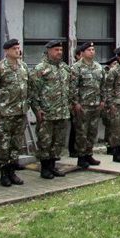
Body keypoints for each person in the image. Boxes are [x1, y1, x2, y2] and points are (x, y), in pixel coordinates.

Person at [29, 40, 73, 179]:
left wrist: (69, 104)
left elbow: (69, 88)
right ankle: (45, 168)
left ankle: (53, 166)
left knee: (58, 142)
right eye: (56, 50)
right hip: (47, 113)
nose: (59, 52)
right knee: (45, 142)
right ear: (48, 51)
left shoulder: (64, 68)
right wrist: (37, 109)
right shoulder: (40, 69)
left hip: (62, 112)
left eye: (60, 50)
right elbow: (33, 92)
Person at [0, 38, 29, 187]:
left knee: (16, 144)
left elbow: (28, 87)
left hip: (20, 112)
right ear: (7, 51)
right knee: (4, 145)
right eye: (14, 49)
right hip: (5, 113)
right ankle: (4, 174)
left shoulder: (23, 66)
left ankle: (12, 172)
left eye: (18, 48)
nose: (18, 51)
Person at [70, 42, 104, 168]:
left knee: (92, 131)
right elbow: (73, 87)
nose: (92, 52)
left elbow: (102, 85)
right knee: (81, 132)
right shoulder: (76, 67)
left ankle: (89, 154)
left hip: (95, 104)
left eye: (93, 49)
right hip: (83, 106)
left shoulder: (98, 67)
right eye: (89, 50)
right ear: (83, 52)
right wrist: (76, 102)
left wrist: (102, 100)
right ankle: (81, 157)